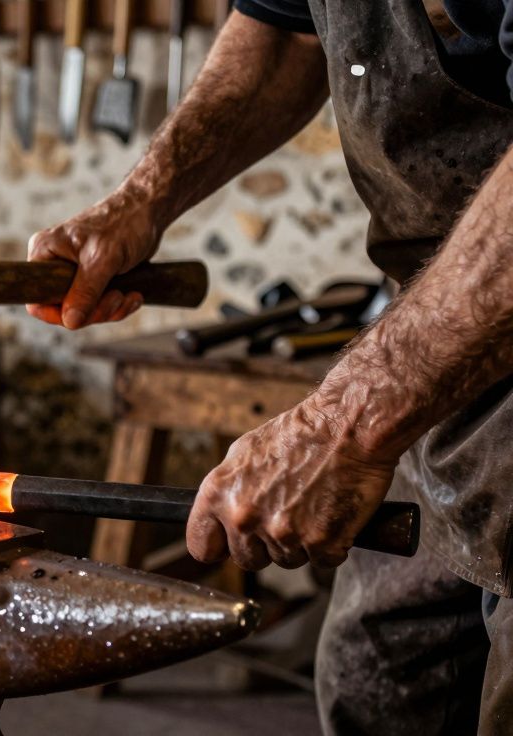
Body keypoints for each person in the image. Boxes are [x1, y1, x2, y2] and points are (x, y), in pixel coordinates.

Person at [27, 2, 513, 732]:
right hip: (437, 335)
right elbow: (284, 30)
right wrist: (142, 201)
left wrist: (337, 431)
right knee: (377, 678)